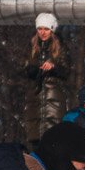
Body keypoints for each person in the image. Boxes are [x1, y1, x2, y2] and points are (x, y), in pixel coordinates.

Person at [23, 13, 71, 150]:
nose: (42, 32)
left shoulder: (61, 48)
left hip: (54, 102)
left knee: (53, 140)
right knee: (35, 143)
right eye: (40, 29)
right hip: (35, 100)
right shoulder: (31, 48)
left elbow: (67, 71)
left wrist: (54, 66)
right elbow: (23, 69)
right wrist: (34, 69)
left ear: (52, 30)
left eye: (46, 29)